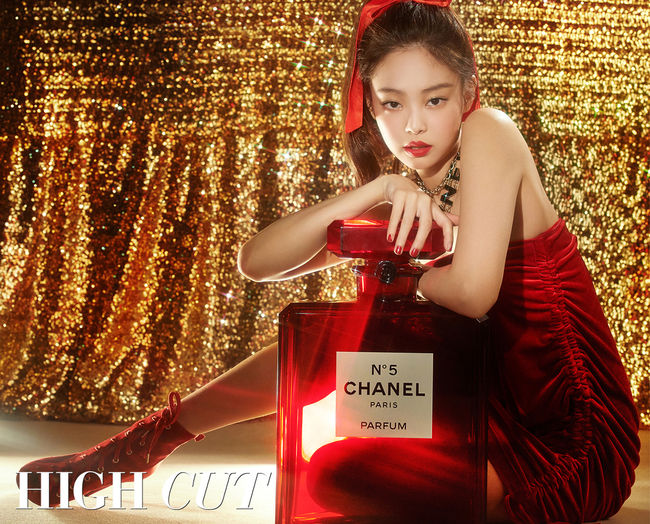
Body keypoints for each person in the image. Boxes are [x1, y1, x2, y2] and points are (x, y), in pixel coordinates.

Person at [18, 1, 640, 522]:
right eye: (392, 104)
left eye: (435, 100)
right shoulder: (407, 194)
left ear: (468, 94)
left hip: (572, 438)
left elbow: (474, 291)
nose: (414, 125)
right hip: (479, 407)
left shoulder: (491, 133)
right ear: (370, 106)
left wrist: (410, 272)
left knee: (339, 459)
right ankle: (142, 445)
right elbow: (257, 262)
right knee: (335, 393)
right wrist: (375, 192)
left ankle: (142, 445)